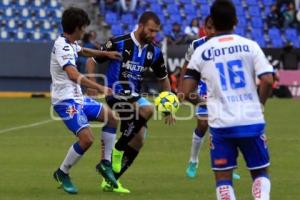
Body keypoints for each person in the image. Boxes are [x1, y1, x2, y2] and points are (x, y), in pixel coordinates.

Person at [182, 1, 274, 199]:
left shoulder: (202, 52)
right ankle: (260, 195)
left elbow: (187, 90)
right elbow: (267, 79)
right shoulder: (250, 46)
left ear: (212, 22)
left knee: (223, 180)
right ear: (236, 20)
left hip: (221, 124)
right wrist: (259, 106)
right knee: (260, 172)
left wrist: (205, 104)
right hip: (251, 120)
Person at [93, 11, 174, 193]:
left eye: (156, 32)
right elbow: (93, 59)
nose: (154, 35)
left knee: (139, 140)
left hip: (134, 95)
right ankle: (118, 148)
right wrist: (93, 83)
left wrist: (168, 105)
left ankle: (111, 180)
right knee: (148, 109)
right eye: (151, 30)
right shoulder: (118, 42)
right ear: (141, 25)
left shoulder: (154, 52)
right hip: (116, 92)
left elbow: (163, 78)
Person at [50, 7, 122, 194]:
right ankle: (62, 172)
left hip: (78, 99)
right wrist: (100, 88)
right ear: (77, 27)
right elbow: (73, 75)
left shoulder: (70, 43)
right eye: (83, 28)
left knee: (112, 118)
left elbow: (83, 51)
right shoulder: (63, 47)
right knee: (87, 139)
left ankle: (105, 164)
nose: (85, 31)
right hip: (65, 101)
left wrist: (105, 54)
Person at [178, 15, 240, 180]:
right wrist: (182, 88)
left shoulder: (229, 44)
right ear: (204, 28)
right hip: (203, 86)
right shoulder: (197, 45)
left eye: (215, 27)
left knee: (227, 125)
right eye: (209, 28)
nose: (212, 31)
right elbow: (186, 66)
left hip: (223, 88)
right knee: (203, 123)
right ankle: (193, 160)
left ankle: (230, 164)